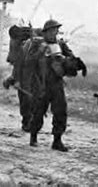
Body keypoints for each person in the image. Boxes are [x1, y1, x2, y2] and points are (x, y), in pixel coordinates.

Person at [27, 19, 74, 152]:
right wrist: (40, 52)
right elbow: (29, 62)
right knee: (38, 111)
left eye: (56, 30)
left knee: (60, 111)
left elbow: (71, 58)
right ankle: (33, 135)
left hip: (56, 83)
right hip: (41, 83)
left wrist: (66, 61)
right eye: (52, 30)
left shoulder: (60, 44)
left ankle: (57, 140)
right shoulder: (37, 44)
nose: (54, 33)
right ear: (45, 32)